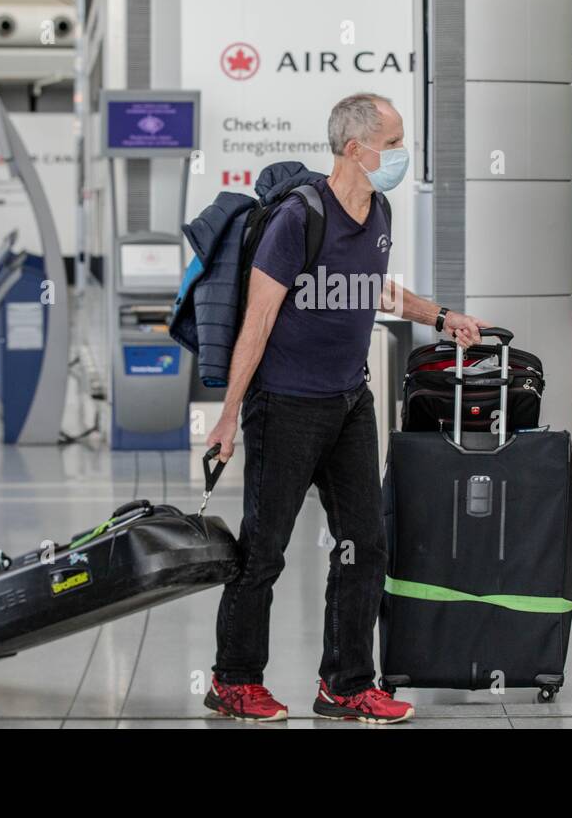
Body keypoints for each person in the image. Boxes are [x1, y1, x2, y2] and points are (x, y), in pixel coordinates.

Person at [204, 92, 488, 724]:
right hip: (285, 406)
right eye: (393, 142)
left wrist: (441, 316)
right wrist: (228, 416)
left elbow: (374, 287)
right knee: (264, 550)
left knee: (364, 543)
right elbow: (257, 319)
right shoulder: (298, 219)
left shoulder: (379, 208)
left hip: (349, 402)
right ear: (356, 149)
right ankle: (233, 680)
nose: (401, 154)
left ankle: (346, 685)